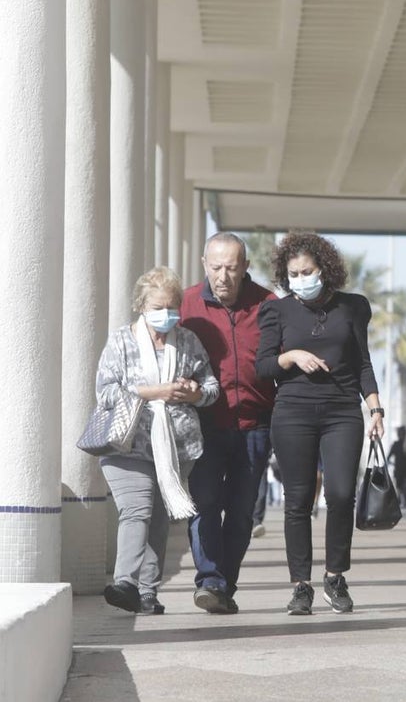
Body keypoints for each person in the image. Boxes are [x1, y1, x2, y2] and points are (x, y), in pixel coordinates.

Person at [256, 231, 384, 616]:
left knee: (342, 494)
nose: (299, 279)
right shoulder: (277, 311)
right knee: (297, 502)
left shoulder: (353, 307)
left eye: (306, 271)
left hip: (343, 412)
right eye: (292, 273)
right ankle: (300, 586)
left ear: (324, 270)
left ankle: (334, 577)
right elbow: (262, 367)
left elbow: (363, 362)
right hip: (292, 413)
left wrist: (375, 408)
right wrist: (291, 355)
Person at [96, 267, 220, 615]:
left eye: (171, 307)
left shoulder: (188, 342)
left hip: (175, 448)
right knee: (137, 509)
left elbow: (211, 389)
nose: (165, 314)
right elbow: (105, 393)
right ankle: (125, 583)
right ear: (141, 305)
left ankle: (148, 592)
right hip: (127, 443)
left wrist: (194, 393)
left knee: (159, 520)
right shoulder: (122, 341)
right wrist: (157, 392)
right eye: (157, 306)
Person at [180, 232, 277, 615]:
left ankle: (225, 584)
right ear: (205, 264)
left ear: (246, 268)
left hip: (255, 425)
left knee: (241, 512)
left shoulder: (268, 305)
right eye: (216, 267)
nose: (223, 276)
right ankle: (210, 581)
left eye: (232, 268)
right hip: (204, 425)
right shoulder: (186, 304)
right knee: (204, 504)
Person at [388, 425, 406, 508]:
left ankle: (401, 500)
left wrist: (391, 464)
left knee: (399, 486)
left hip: (398, 468)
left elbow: (388, 457)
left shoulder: (395, 444)